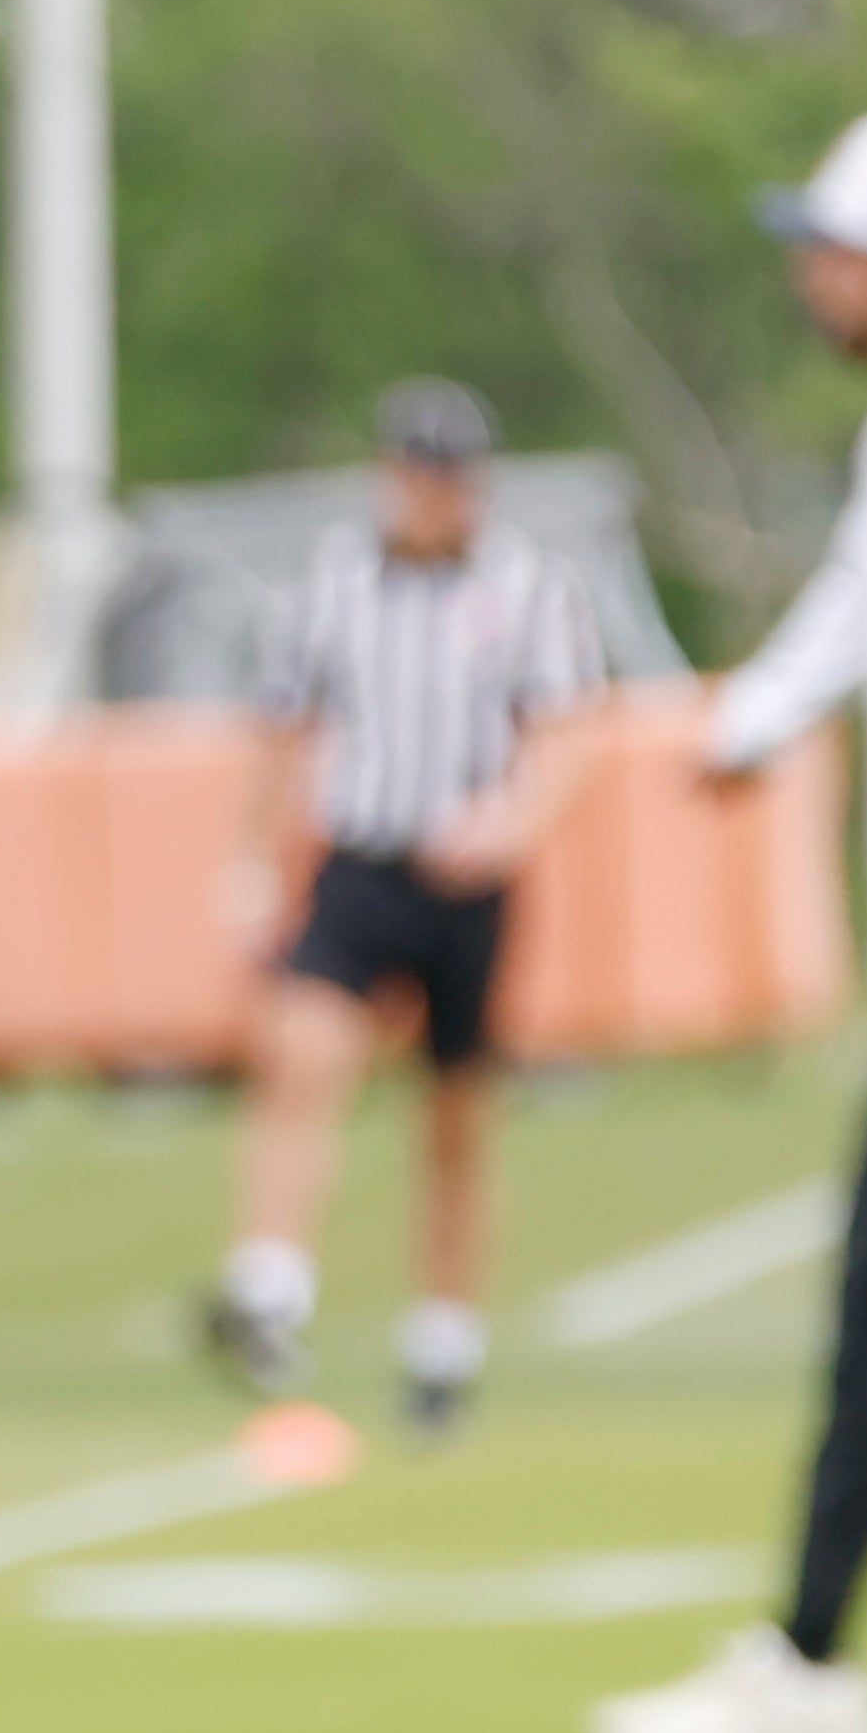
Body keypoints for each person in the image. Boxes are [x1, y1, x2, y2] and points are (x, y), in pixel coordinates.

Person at [592, 109, 867, 1733]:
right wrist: (745, 726)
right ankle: (808, 1669)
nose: (810, 274)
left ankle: (810, 1670)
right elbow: (854, 605)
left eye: (835, 245)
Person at [200, 379, 603, 1430]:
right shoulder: (334, 581)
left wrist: (513, 820)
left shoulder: (524, 588)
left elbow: (565, 731)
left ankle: (441, 1337)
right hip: (362, 859)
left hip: (468, 879)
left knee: (454, 1114)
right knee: (305, 1054)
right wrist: (249, 858)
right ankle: (270, 1280)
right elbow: (283, 727)